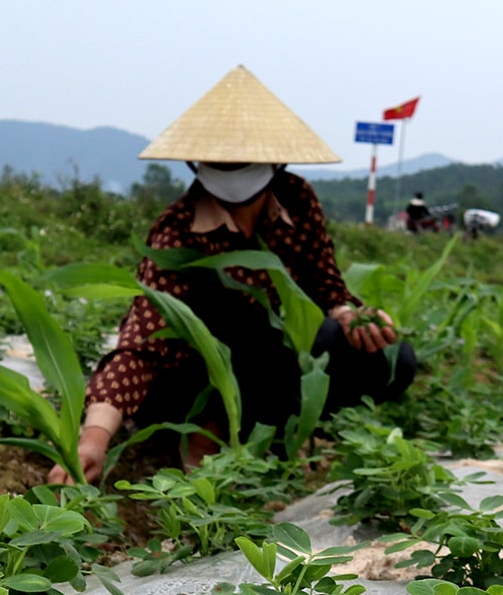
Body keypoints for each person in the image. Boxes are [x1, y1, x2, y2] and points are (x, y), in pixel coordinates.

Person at [49, 66, 416, 483]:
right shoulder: (179, 232)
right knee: (237, 321)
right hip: (195, 376)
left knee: (390, 360)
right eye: (219, 159)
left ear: (274, 161)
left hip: (274, 364)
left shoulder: (297, 200)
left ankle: (280, 431)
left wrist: (350, 314)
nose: (231, 168)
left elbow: (325, 286)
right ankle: (210, 430)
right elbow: (141, 343)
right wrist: (93, 439)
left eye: (244, 159)